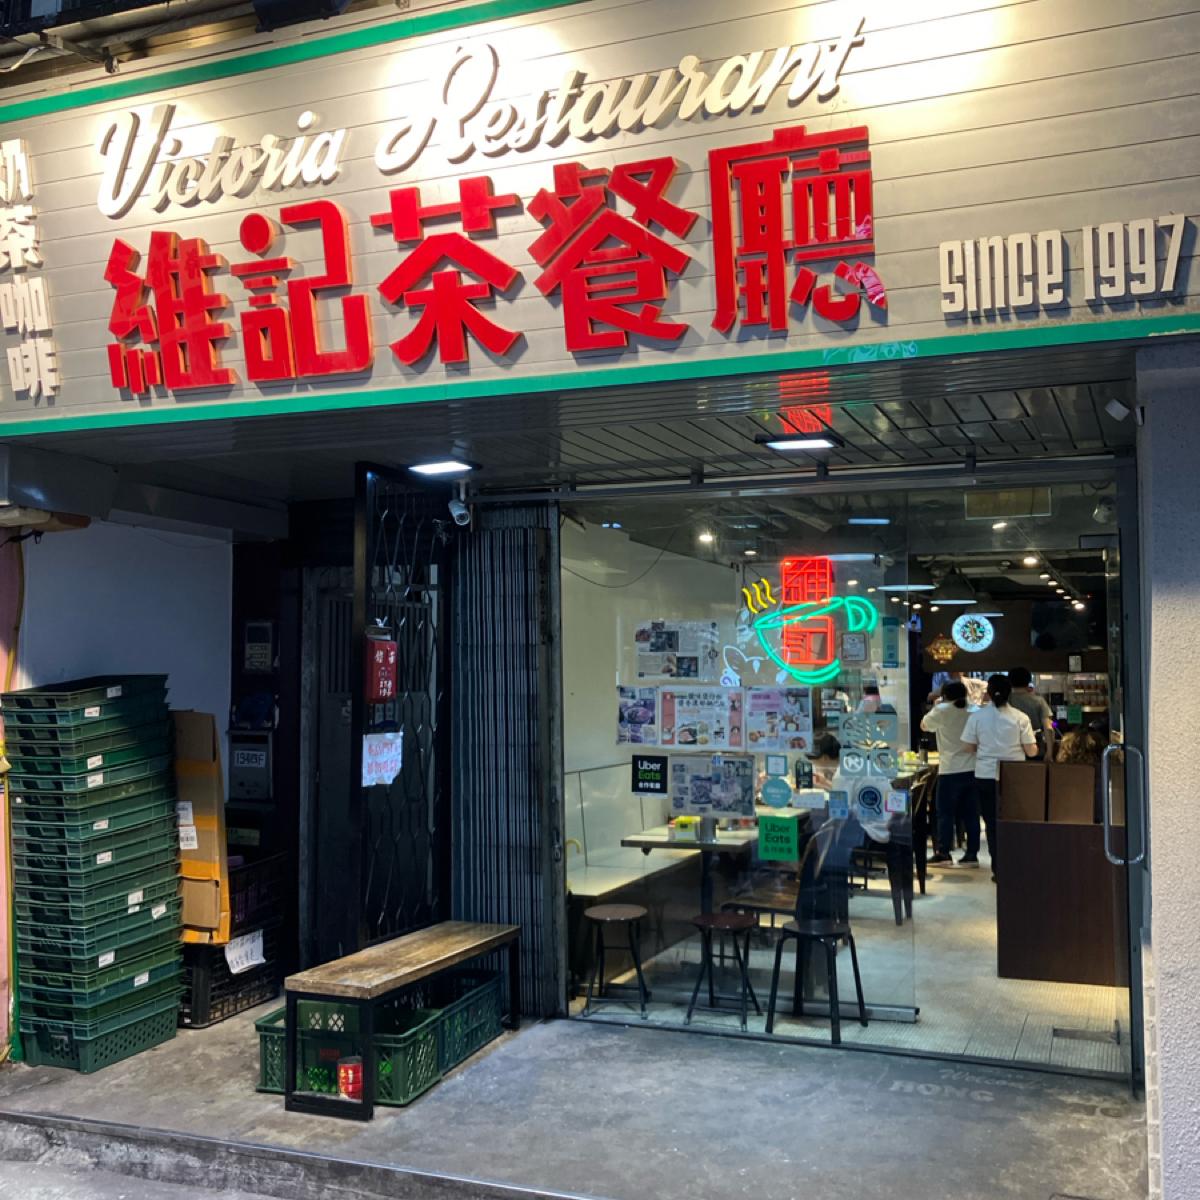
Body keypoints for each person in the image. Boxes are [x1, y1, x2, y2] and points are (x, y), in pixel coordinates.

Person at [961, 674, 1038, 878]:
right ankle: (1015, 866)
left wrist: (985, 749)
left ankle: (998, 868)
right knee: (1014, 821)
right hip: (1014, 776)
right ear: (1009, 693)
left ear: (988, 693)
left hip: (985, 775)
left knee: (992, 823)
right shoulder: (1020, 717)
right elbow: (1031, 751)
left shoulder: (977, 717)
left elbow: (967, 747)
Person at [920, 681, 978, 865]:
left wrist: (936, 705)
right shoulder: (974, 710)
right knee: (971, 814)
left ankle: (944, 853)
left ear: (944, 695)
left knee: (945, 813)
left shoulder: (941, 710)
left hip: (950, 769)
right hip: (974, 769)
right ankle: (972, 854)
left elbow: (923, 725)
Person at [1007, 667, 1056, 760]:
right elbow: (1049, 728)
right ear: (1029, 681)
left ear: (1009, 681)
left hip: (1011, 748)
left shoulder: (1006, 701)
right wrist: (1049, 753)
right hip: (1035, 746)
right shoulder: (1039, 701)